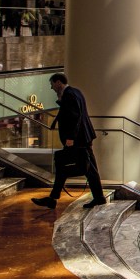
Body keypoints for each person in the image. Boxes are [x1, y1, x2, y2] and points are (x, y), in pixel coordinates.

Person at [31, 73, 106, 210]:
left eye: (52, 84)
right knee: (90, 169)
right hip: (84, 137)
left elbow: (75, 117)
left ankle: (53, 198)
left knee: (64, 166)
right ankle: (99, 198)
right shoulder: (75, 92)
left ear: (58, 82)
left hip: (77, 140)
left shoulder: (69, 95)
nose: (51, 88)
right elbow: (69, 112)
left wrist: (71, 138)